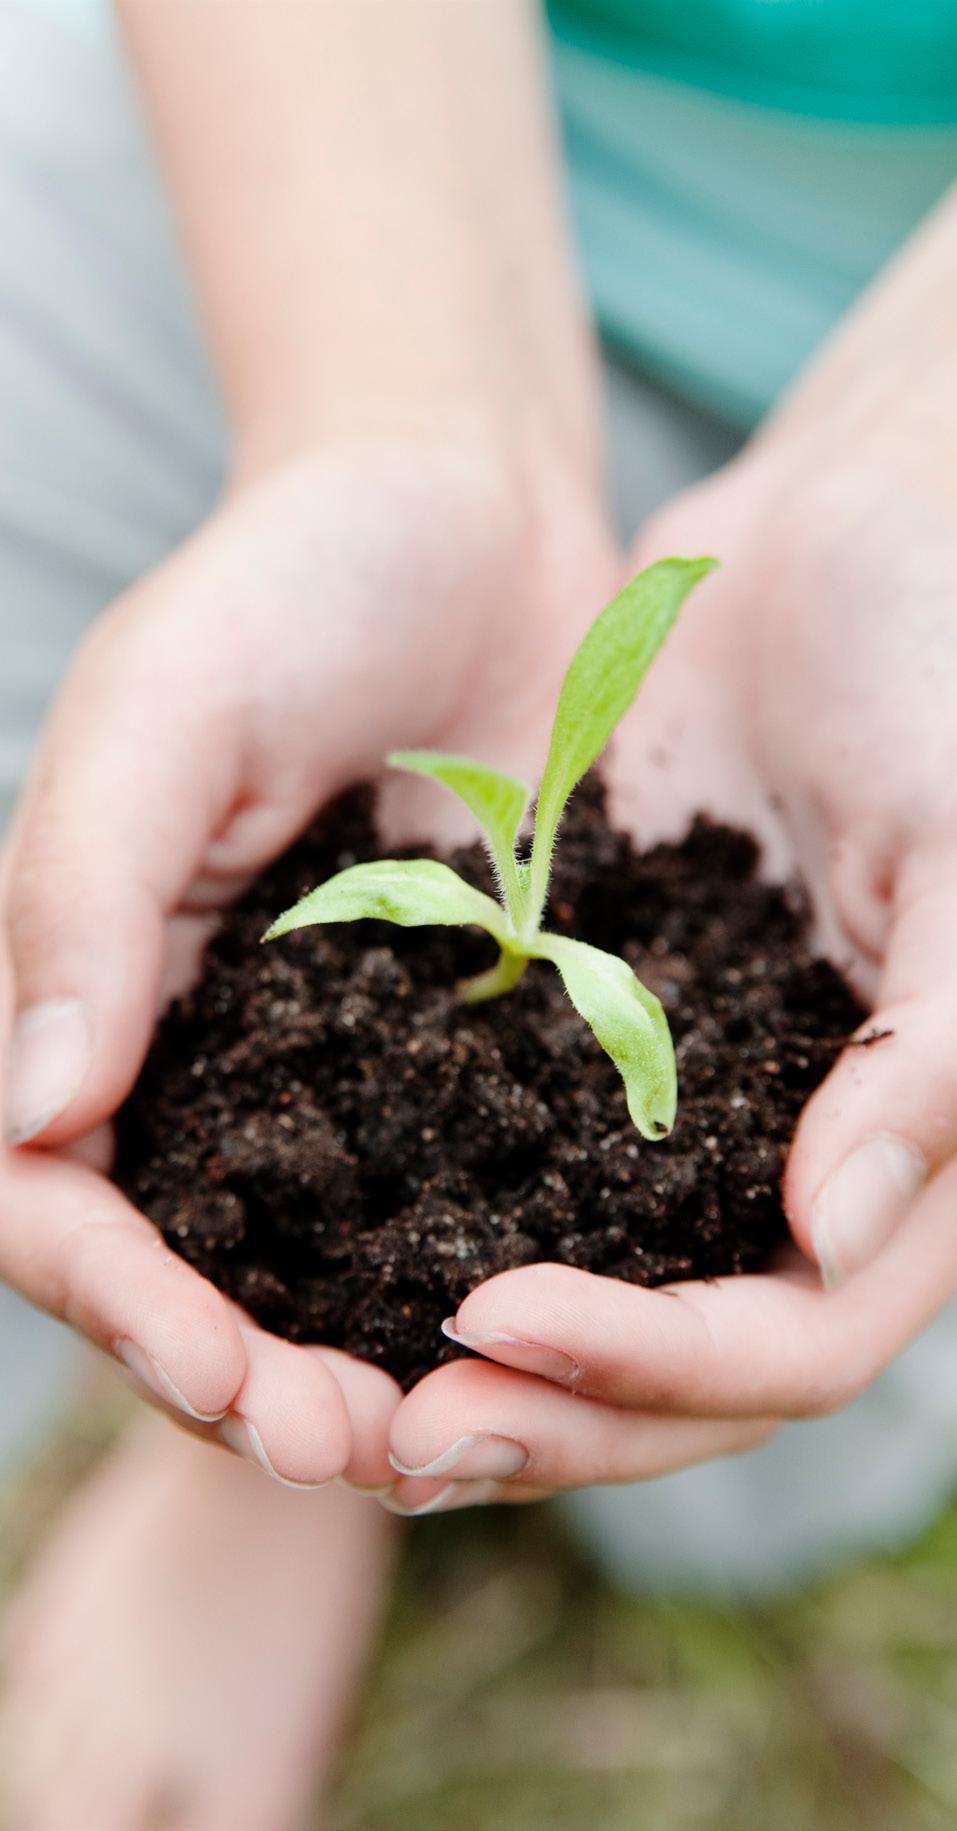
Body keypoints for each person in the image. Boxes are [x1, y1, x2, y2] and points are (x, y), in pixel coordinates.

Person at [1, 0, 956, 1822]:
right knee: (132, 973)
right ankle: (259, 1474)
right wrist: (394, 413)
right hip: (300, 159)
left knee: (776, 1429)